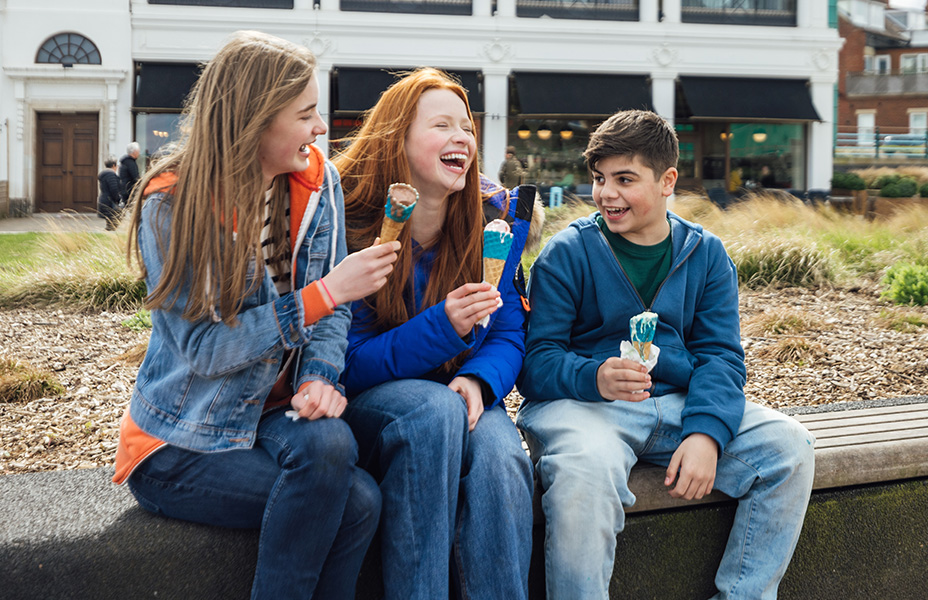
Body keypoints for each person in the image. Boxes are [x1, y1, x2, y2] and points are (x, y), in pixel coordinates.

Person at [112, 30, 400, 599]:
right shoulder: (172, 203)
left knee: (342, 458)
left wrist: (319, 376)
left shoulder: (320, 180)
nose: (322, 128)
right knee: (356, 501)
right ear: (255, 120)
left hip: (269, 414)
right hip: (181, 438)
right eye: (306, 114)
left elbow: (334, 315)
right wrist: (324, 295)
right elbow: (207, 350)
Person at [517, 109, 815, 600]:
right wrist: (595, 377)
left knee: (790, 448)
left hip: (677, 404)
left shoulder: (708, 255)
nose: (607, 193)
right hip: (585, 409)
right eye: (599, 179)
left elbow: (721, 358)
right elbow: (535, 362)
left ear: (667, 180)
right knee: (583, 474)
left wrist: (705, 433)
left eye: (624, 179)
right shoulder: (568, 252)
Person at [333, 68, 535, 600]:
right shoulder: (348, 225)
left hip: (459, 391)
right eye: (441, 125)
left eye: (466, 127)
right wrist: (442, 328)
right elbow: (346, 363)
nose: (462, 139)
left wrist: (479, 381)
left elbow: (509, 330)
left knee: (501, 455)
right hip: (370, 408)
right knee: (432, 412)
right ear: (396, 141)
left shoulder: (493, 224)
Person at [97, 155, 121, 230]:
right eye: (116, 165)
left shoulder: (104, 175)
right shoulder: (111, 175)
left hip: (104, 200)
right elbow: (114, 189)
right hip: (109, 202)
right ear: (114, 165)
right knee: (113, 225)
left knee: (111, 224)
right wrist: (118, 199)